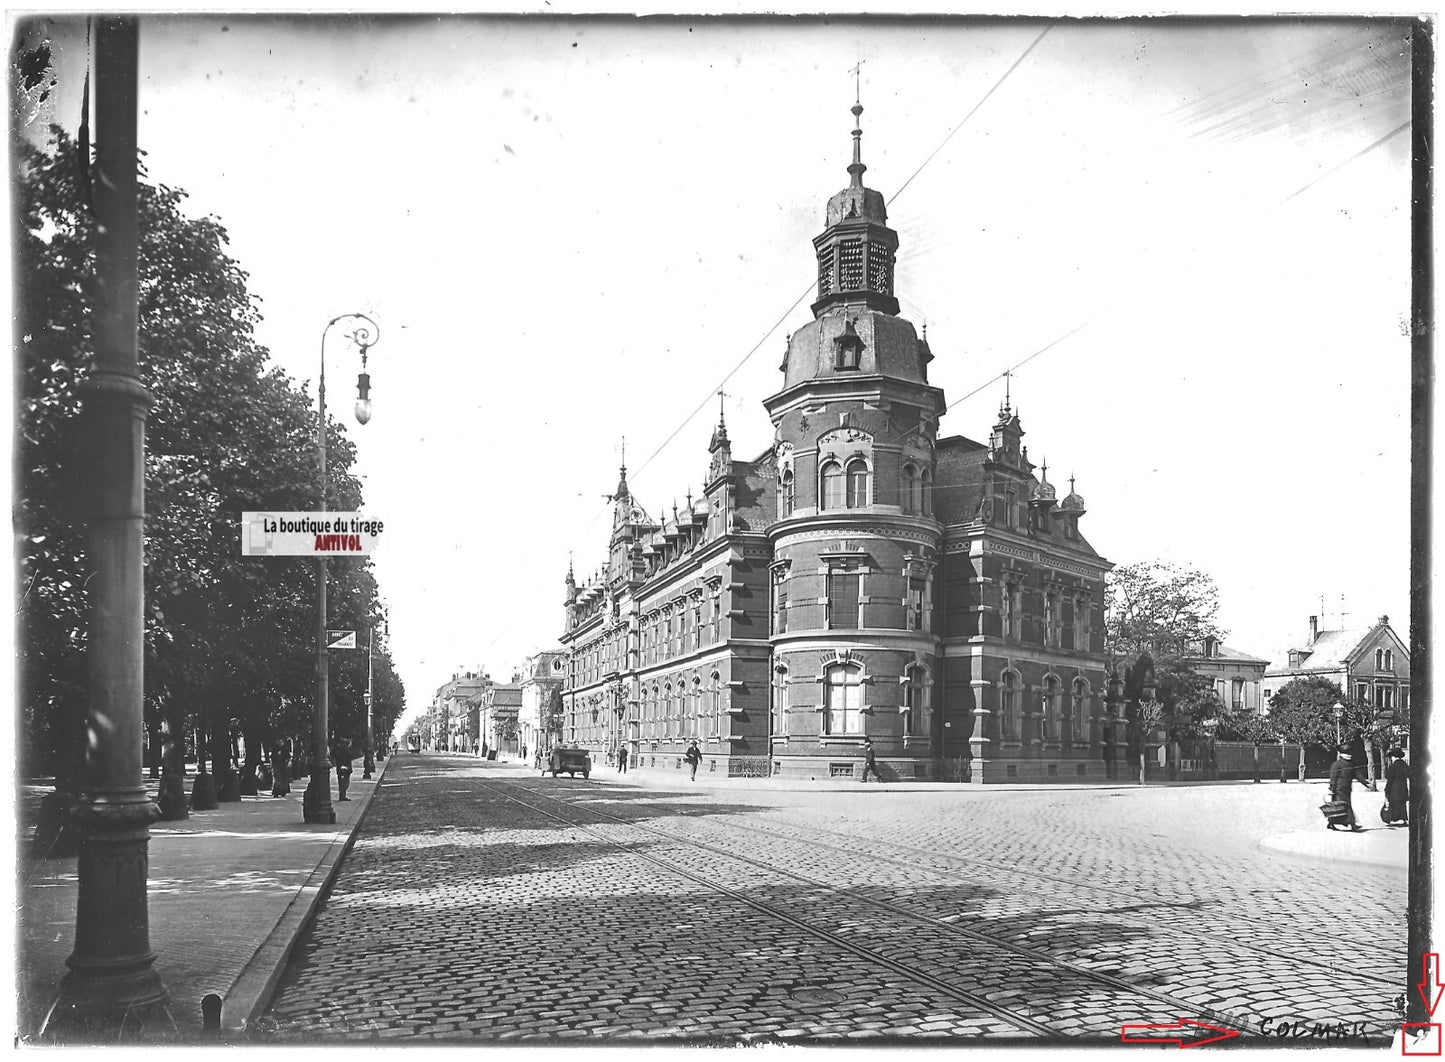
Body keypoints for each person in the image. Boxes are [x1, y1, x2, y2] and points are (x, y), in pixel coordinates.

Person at [1327, 748, 1364, 831]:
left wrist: (1365, 782)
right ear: (1342, 754)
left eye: (1350, 753)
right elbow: (1333, 778)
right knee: (1345, 806)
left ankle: (1331, 823)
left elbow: (1357, 775)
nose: (1349, 755)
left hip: (1346, 789)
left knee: (1338, 808)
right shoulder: (1337, 764)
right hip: (1338, 789)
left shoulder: (1351, 764)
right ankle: (1353, 824)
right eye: (1347, 753)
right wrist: (1332, 789)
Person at [1383, 747, 1409, 826]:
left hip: (1394, 788)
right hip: (1403, 787)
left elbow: (1389, 779)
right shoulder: (1404, 765)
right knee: (1402, 804)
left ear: (1393, 757)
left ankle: (1395, 819)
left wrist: (1386, 790)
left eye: (1391, 757)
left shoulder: (1393, 766)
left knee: (1394, 803)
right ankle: (1404, 819)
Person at [333, 734, 354, 801]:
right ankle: (342, 796)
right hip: (345, 767)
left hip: (340, 767)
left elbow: (333, 754)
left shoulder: (338, 748)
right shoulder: (345, 749)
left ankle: (342, 795)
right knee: (345, 782)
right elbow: (351, 755)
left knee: (341, 782)